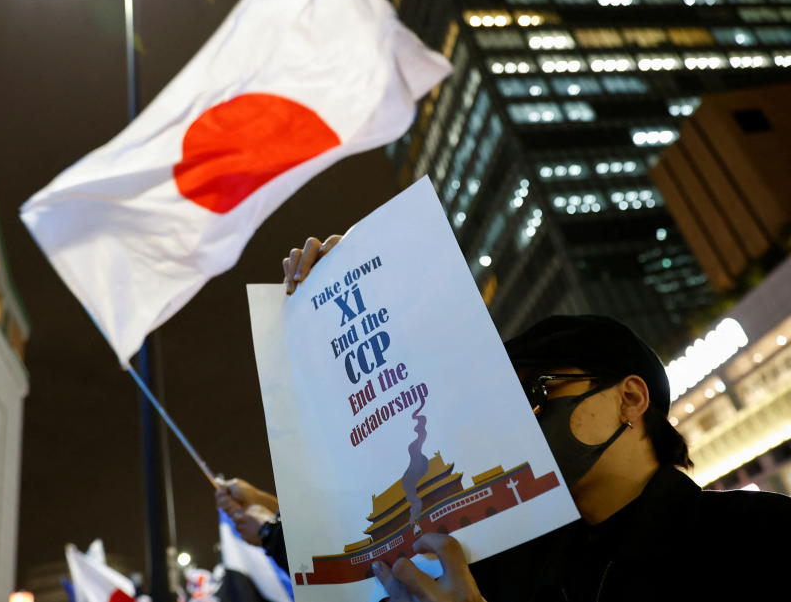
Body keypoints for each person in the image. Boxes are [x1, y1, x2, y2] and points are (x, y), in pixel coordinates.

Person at [275, 236, 791, 601]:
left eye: (533, 391)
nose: (514, 418)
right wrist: (340, 290)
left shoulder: (755, 541)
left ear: (630, 400)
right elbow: (367, 562)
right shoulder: (502, 564)